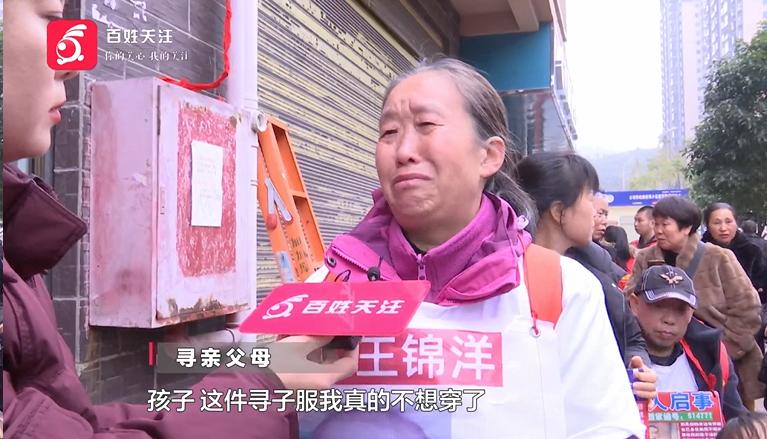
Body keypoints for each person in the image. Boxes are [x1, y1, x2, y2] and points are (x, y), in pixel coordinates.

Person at [2, 1, 358, 438]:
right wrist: (266, 385)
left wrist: (263, 381)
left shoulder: (16, 249)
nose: (72, 64)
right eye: (52, 21)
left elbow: (74, 424)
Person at [304, 58, 646, 438]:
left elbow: (606, 427)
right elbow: (273, 402)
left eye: (426, 125)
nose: (402, 151)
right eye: (388, 132)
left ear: (489, 156)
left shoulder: (562, 289)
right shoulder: (326, 287)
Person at [516, 152, 654, 381]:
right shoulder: (507, 278)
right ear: (559, 212)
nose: (594, 213)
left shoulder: (597, 270)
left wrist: (638, 368)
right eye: (589, 200)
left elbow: (632, 340)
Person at [629, 196, 763, 411]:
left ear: (687, 228)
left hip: (721, 356)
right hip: (662, 355)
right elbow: (629, 301)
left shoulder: (718, 257)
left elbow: (748, 308)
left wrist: (723, 348)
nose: (658, 230)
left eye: (665, 224)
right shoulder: (645, 257)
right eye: (656, 224)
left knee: (732, 417)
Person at [628, 264, 746, 421]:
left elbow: (735, 418)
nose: (669, 319)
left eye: (680, 309)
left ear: (691, 313)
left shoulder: (712, 355)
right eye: (659, 306)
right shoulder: (611, 353)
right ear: (635, 304)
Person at [702, 203, 767, 302]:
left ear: (736, 223)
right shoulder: (697, 253)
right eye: (717, 223)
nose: (723, 228)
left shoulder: (752, 252)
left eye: (728, 222)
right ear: (707, 226)